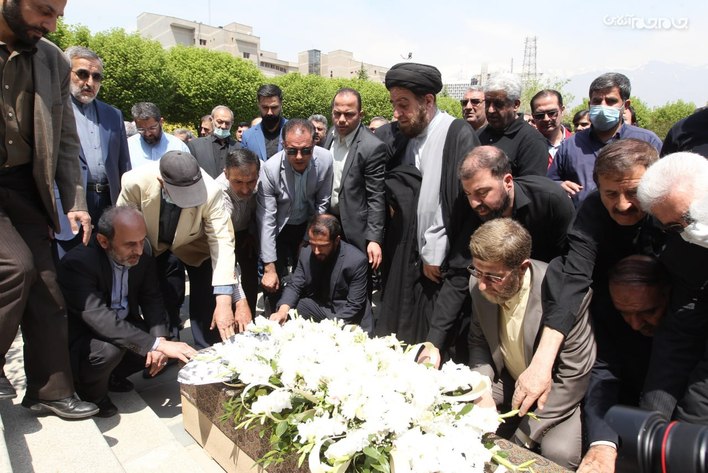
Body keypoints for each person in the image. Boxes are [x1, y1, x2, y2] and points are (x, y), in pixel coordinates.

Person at [514, 139, 664, 423]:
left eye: (634, 192)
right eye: (611, 194)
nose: (623, 204)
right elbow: (574, 277)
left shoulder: (667, 209)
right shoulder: (593, 210)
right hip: (611, 307)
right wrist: (542, 362)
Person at [0, 0, 99, 418]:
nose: (51, 24)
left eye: (57, 15)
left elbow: (65, 141)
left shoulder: (53, 60)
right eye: (43, 10)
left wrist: (75, 201)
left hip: (26, 187)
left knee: (46, 285)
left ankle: (50, 390)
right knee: (15, 267)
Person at [425, 146, 574, 362]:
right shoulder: (472, 210)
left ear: (508, 181)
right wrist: (434, 343)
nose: (475, 203)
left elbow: (570, 267)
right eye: (468, 194)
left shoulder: (550, 200)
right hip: (495, 309)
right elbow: (459, 274)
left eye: (482, 193)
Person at [467, 219, 594, 469]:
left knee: (558, 451)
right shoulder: (478, 284)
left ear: (522, 268)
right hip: (508, 379)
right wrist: (481, 389)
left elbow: (574, 375)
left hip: (557, 394)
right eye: (477, 271)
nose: (482, 284)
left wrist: (521, 438)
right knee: (457, 409)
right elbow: (478, 341)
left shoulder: (565, 296)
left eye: (493, 276)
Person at [374, 62, 479, 344]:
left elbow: (457, 203)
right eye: (394, 105)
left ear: (428, 101)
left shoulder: (457, 134)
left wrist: (434, 252)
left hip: (439, 262)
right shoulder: (403, 136)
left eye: (404, 105)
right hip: (406, 255)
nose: (396, 113)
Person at [58, 206, 198, 417]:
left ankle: (112, 376)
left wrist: (160, 340)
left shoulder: (143, 253)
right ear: (103, 241)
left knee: (161, 343)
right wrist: (155, 344)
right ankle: (91, 393)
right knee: (110, 351)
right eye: (131, 244)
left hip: (122, 325)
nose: (139, 251)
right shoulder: (78, 263)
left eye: (142, 241)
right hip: (86, 337)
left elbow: (151, 298)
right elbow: (99, 318)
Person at [117, 150, 245, 349]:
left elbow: (222, 241)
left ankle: (208, 347)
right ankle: (166, 344)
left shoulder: (212, 191)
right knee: (161, 294)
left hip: (194, 243)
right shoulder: (135, 183)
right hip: (150, 244)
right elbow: (124, 229)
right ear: (162, 182)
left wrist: (224, 300)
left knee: (208, 293)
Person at [578, 255, 670, 473]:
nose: (635, 324)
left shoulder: (688, 325)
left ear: (667, 294)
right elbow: (603, 375)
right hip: (626, 411)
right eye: (625, 313)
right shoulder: (606, 315)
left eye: (648, 312)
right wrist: (603, 443)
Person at [637, 152, 708, 423]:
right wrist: (652, 423)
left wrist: (687, 430)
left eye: (689, 217)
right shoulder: (684, 251)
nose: (689, 231)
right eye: (675, 227)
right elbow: (680, 336)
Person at [54, 45, 131, 259]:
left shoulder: (113, 115)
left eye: (96, 77)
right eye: (82, 74)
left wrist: (126, 209)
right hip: (67, 204)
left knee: (104, 266)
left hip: (108, 203)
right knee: (68, 265)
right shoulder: (53, 108)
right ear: (66, 73)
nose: (89, 82)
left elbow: (123, 165)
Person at [547, 73, 662, 207]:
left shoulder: (647, 141)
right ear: (589, 104)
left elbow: (664, 185)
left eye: (611, 101)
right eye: (597, 101)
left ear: (625, 105)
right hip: (585, 218)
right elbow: (550, 181)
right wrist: (560, 185)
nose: (603, 106)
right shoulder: (571, 144)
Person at [257, 119, 333, 311]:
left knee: (308, 276)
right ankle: (273, 317)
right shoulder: (270, 169)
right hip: (279, 227)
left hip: (308, 223)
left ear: (314, 143)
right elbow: (267, 219)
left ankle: (305, 314)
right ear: (284, 145)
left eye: (306, 150)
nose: (299, 157)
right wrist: (269, 266)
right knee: (273, 281)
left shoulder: (325, 160)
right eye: (292, 151)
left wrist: (308, 238)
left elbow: (322, 203)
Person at [270, 214, 373, 333]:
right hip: (321, 307)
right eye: (313, 244)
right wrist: (282, 311)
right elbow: (295, 285)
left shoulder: (356, 261)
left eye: (322, 246)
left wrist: (327, 329)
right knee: (289, 307)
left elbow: (354, 305)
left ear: (336, 241)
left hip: (346, 314)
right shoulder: (306, 253)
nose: (316, 251)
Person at [322, 88, 386, 271]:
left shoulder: (372, 147)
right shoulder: (330, 136)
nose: (341, 119)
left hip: (355, 229)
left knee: (356, 277)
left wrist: (374, 239)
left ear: (361, 114)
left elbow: (376, 196)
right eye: (337, 113)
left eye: (349, 114)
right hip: (328, 222)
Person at [216, 149, 260, 315]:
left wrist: (252, 231)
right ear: (226, 174)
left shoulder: (263, 179)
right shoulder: (218, 193)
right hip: (221, 236)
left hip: (246, 233)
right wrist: (240, 300)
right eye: (238, 182)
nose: (245, 189)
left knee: (250, 276)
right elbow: (223, 247)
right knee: (227, 278)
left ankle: (250, 318)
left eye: (251, 182)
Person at [477, 73, 548, 177]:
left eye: (498, 104)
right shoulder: (478, 135)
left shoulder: (532, 141)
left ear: (516, 105)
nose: (491, 110)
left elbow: (532, 184)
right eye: (487, 103)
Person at [127, 101, 189, 168]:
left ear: (161, 122)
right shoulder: (128, 146)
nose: (147, 133)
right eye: (141, 129)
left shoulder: (178, 146)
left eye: (152, 128)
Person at [187, 105, 241, 179]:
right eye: (219, 122)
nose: (223, 126)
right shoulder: (195, 146)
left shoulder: (239, 148)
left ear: (232, 123)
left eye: (227, 123)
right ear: (212, 120)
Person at [241, 84, 287, 161]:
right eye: (265, 107)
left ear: (281, 105)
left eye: (274, 107)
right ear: (259, 105)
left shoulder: (293, 130)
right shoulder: (248, 136)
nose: (269, 112)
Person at [530, 90, 571, 167]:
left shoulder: (577, 143)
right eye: (540, 115)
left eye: (552, 113)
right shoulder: (526, 146)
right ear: (533, 116)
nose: (546, 119)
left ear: (562, 110)